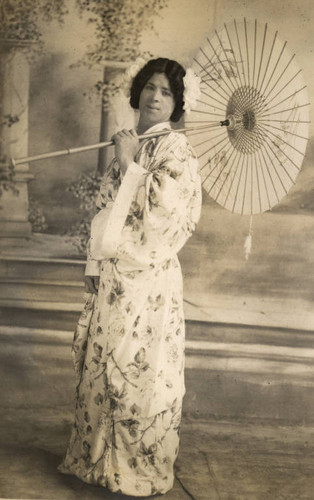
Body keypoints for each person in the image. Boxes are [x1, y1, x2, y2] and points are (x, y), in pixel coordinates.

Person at [58, 57, 202, 497]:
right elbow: (106, 209)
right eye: (150, 88)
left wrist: (129, 163)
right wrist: (93, 264)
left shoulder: (176, 150)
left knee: (139, 369)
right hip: (115, 274)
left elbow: (162, 213)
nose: (155, 97)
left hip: (149, 279)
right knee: (104, 363)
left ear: (177, 104)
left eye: (166, 93)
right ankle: (97, 461)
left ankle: (134, 468)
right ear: (138, 91)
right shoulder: (133, 139)